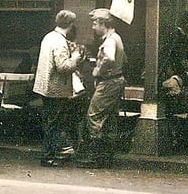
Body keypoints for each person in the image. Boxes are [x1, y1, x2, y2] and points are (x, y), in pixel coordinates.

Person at [33, 10, 83, 167]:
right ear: (71, 25)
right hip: (56, 89)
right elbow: (62, 67)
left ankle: (52, 153)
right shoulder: (60, 41)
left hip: (45, 87)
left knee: (50, 123)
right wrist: (75, 57)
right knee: (54, 124)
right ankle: (49, 156)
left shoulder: (49, 37)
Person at [77, 9, 126, 169]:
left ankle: (95, 156)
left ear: (103, 24)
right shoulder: (116, 38)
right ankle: (106, 156)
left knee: (94, 116)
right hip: (116, 80)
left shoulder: (110, 40)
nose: (93, 27)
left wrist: (98, 70)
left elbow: (110, 57)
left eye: (95, 23)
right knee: (110, 118)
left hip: (108, 82)